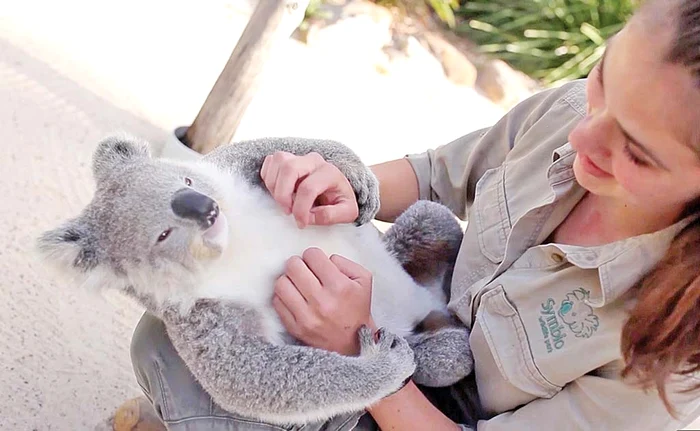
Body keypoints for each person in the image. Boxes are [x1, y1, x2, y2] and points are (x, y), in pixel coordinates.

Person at [129, 0, 700, 429]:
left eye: (636, 152)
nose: (582, 134)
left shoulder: (674, 361)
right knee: (174, 337)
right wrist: (341, 184)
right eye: (603, 76)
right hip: (415, 329)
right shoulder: (574, 110)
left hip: (429, 409)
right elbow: (438, 174)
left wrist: (359, 350)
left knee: (189, 376)